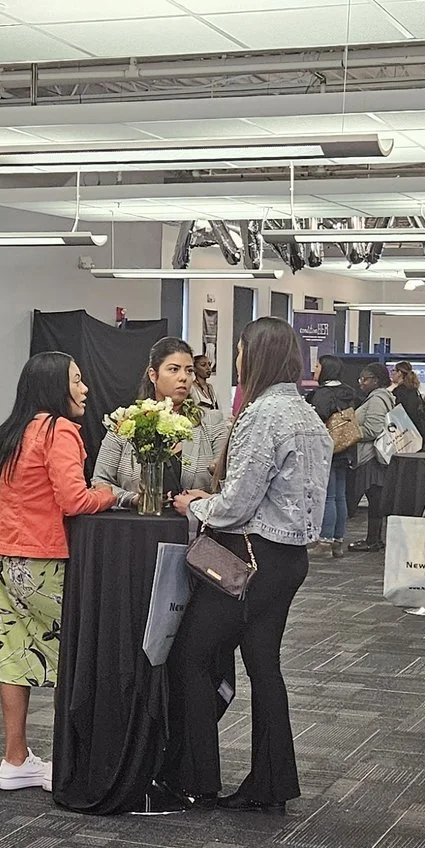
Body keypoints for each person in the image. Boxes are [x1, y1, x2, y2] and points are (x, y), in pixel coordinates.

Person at [168, 318, 331, 809]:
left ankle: (195, 778)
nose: (236, 360)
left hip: (250, 558)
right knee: (264, 667)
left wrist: (196, 505)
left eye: (239, 351)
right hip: (288, 559)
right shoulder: (307, 414)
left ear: (254, 356)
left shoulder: (263, 415)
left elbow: (236, 504)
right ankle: (271, 783)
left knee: (190, 656)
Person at [0, 353, 131, 791]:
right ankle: (75, 761)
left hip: (5, 556)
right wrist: (109, 494)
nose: (85, 389)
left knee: (15, 655)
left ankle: (15, 759)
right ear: (54, 386)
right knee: (78, 654)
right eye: (77, 380)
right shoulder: (59, 430)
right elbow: (74, 499)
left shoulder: (11, 431)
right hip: (43, 560)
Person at [93, 338, 229, 497]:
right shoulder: (126, 422)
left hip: (192, 513)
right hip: (135, 513)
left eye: (189, 370)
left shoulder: (212, 422)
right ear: (153, 375)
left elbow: (229, 487)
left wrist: (199, 502)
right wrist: (134, 499)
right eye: (174, 369)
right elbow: (100, 482)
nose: (183, 377)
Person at [306, 355, 361, 557]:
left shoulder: (322, 394)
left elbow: (316, 420)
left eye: (318, 365)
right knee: (340, 496)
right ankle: (338, 541)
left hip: (327, 449)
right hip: (346, 449)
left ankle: (325, 542)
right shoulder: (349, 392)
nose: (315, 369)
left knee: (327, 496)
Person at [348, 362, 396, 552]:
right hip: (377, 456)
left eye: (365, 379)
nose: (361, 382)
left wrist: (350, 432)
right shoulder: (384, 397)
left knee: (375, 497)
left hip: (372, 457)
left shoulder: (376, 399)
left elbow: (374, 429)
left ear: (376, 380)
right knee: (376, 497)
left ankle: (373, 540)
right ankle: (374, 538)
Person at [390, 361, 425, 444]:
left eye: (393, 370)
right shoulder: (414, 390)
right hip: (418, 431)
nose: (391, 373)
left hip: (406, 433)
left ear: (399, 373)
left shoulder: (399, 392)